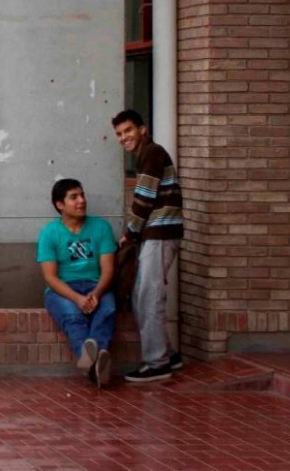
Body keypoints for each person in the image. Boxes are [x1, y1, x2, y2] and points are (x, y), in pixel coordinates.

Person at [112, 109, 185, 383]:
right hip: (156, 233)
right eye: (119, 134)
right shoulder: (148, 154)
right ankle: (168, 354)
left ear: (142, 129)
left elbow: (144, 196)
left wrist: (130, 232)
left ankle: (157, 362)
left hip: (160, 232)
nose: (124, 137)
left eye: (128, 130)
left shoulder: (152, 153)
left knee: (148, 295)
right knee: (144, 293)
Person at [37, 179, 117, 388]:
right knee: (73, 315)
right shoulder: (49, 233)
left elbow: (108, 269)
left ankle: (91, 361)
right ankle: (96, 362)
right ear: (60, 205)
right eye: (74, 197)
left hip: (96, 285)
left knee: (107, 309)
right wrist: (77, 298)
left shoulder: (101, 227)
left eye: (82, 195)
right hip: (63, 289)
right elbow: (50, 277)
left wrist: (97, 294)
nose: (81, 201)